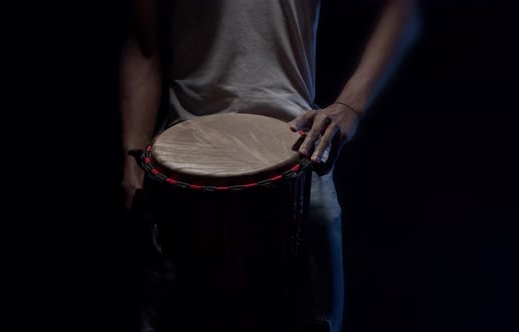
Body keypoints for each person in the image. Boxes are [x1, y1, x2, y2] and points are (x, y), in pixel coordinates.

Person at [121, 1, 420, 331]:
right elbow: (143, 43)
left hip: (295, 148)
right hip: (183, 162)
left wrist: (350, 106)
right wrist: (132, 156)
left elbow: (403, 9)